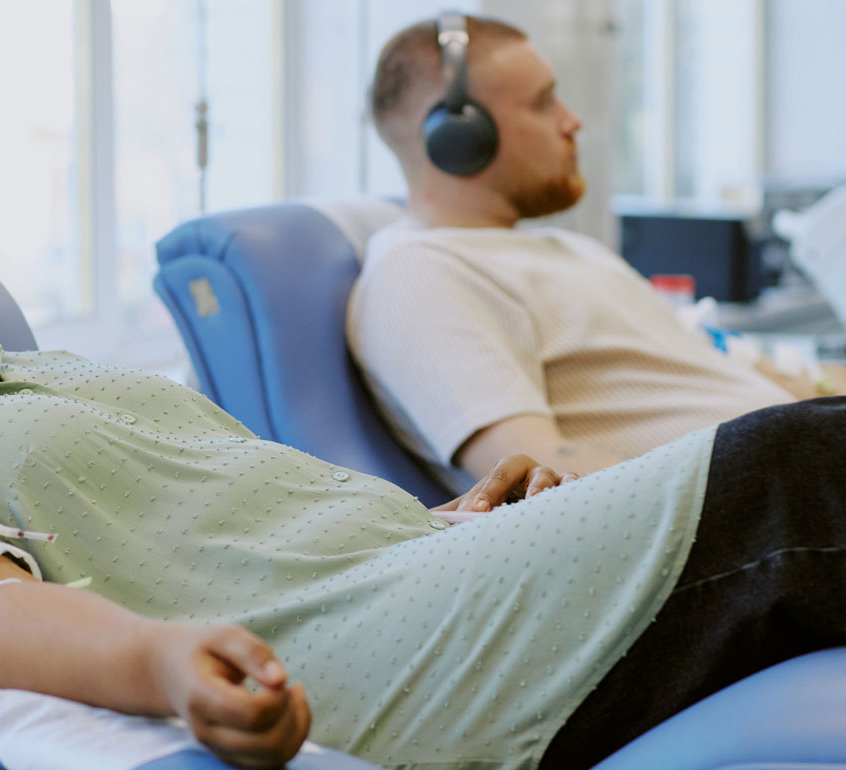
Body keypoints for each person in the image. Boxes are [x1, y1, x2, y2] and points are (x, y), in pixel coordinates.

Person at [0, 78, 846, 770]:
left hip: (441, 585)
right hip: (371, 681)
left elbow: (248, 532)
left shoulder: (42, 373)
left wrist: (452, 519)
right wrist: (164, 666)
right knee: (799, 466)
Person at [350, 13, 845, 489]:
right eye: (543, 103)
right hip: (764, 507)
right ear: (458, 137)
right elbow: (532, 477)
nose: (572, 122)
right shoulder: (420, 271)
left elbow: (737, 369)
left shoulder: (568, 250)